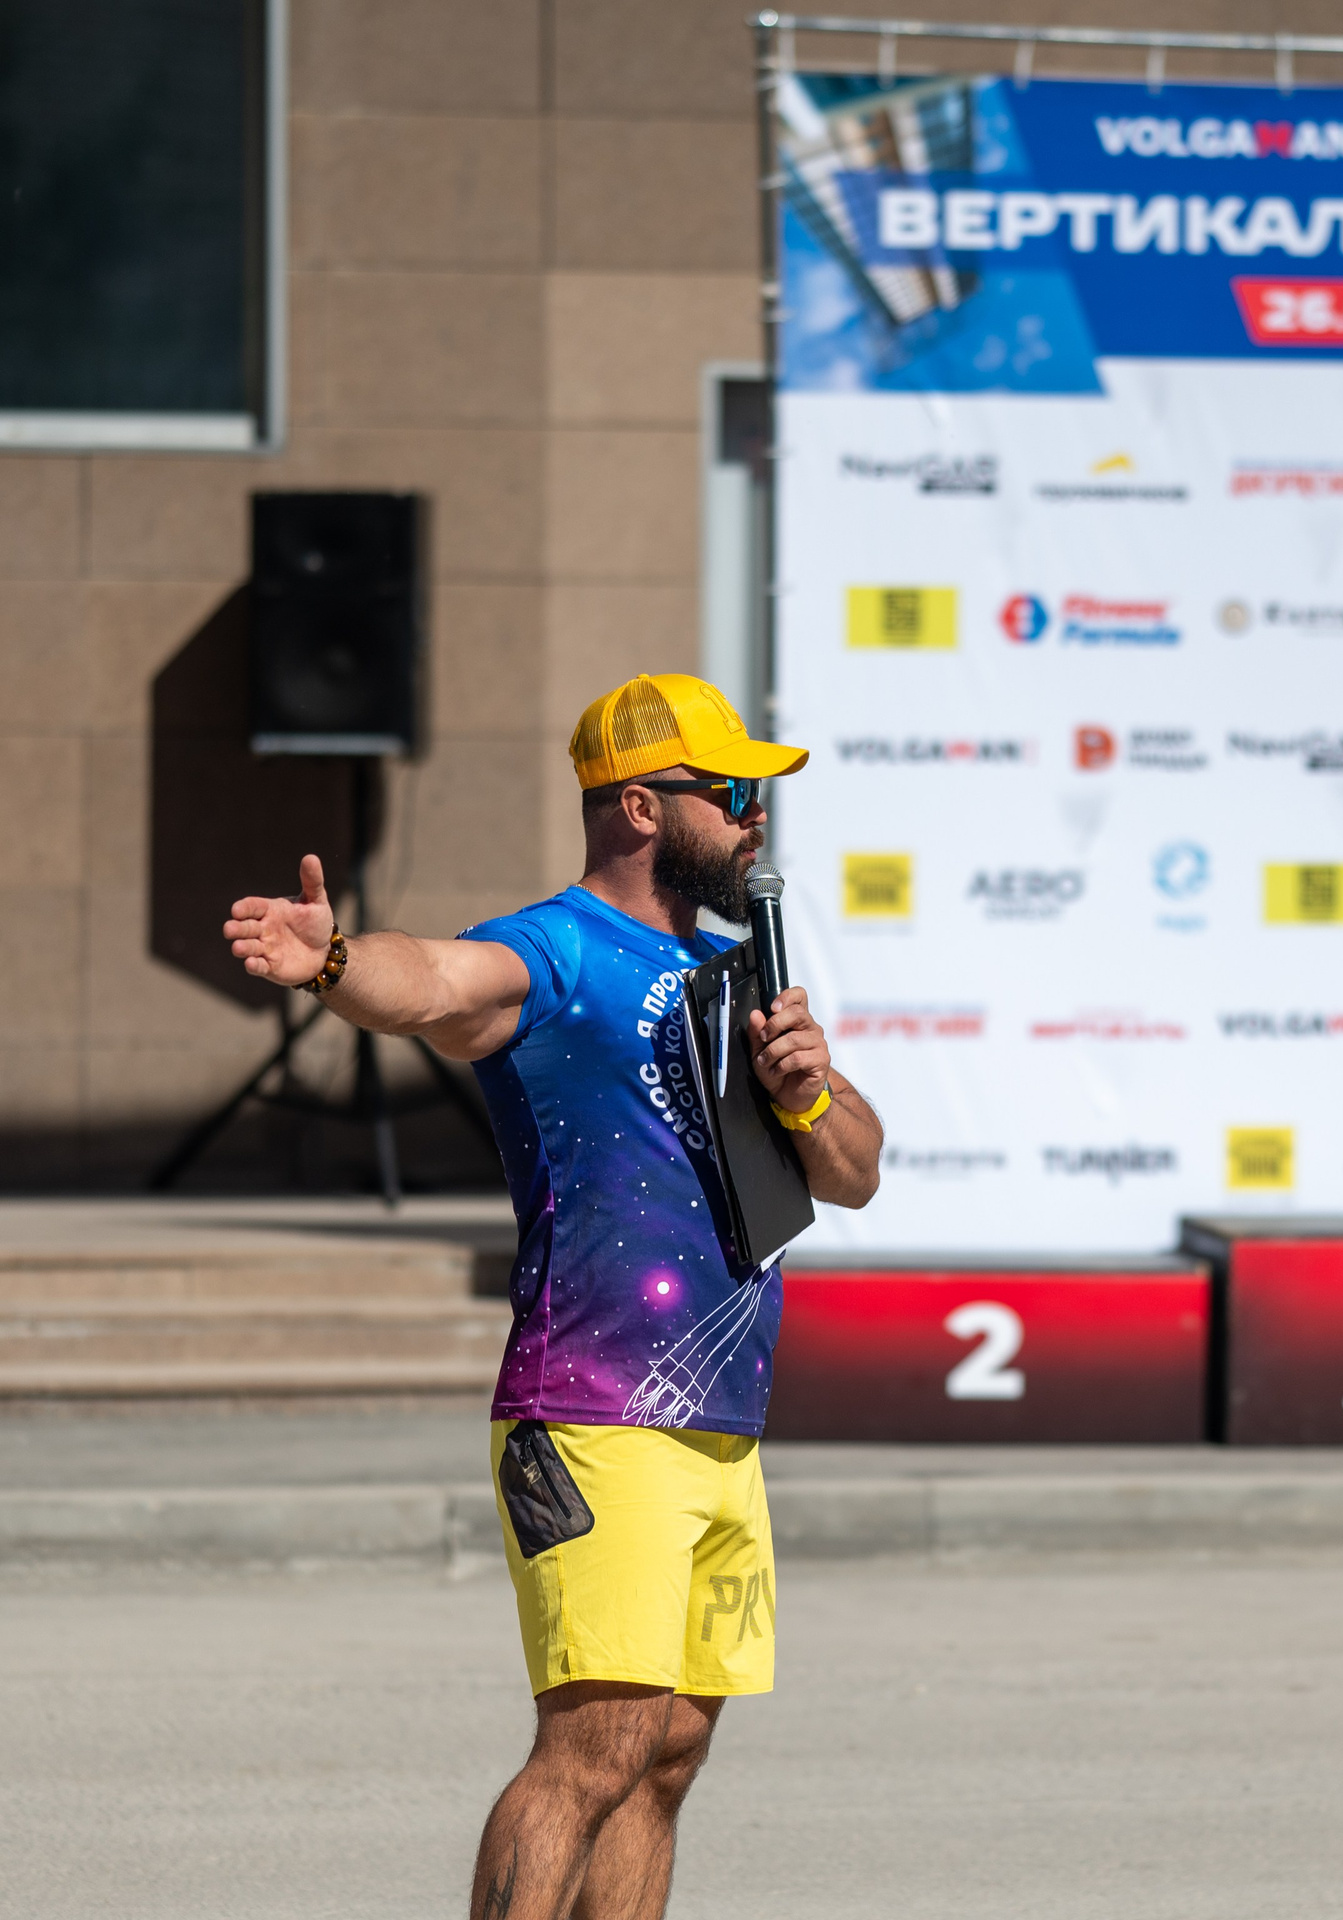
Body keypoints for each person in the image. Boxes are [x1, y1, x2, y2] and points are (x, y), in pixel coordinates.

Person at [223, 672, 882, 1920]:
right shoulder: (561, 948)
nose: (757, 820)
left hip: (723, 1426)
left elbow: (852, 1176)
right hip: (595, 1411)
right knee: (593, 1749)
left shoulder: (740, 969)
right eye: (733, 792)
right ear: (640, 807)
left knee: (669, 1756)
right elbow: (436, 985)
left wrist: (808, 1089)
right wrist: (338, 962)